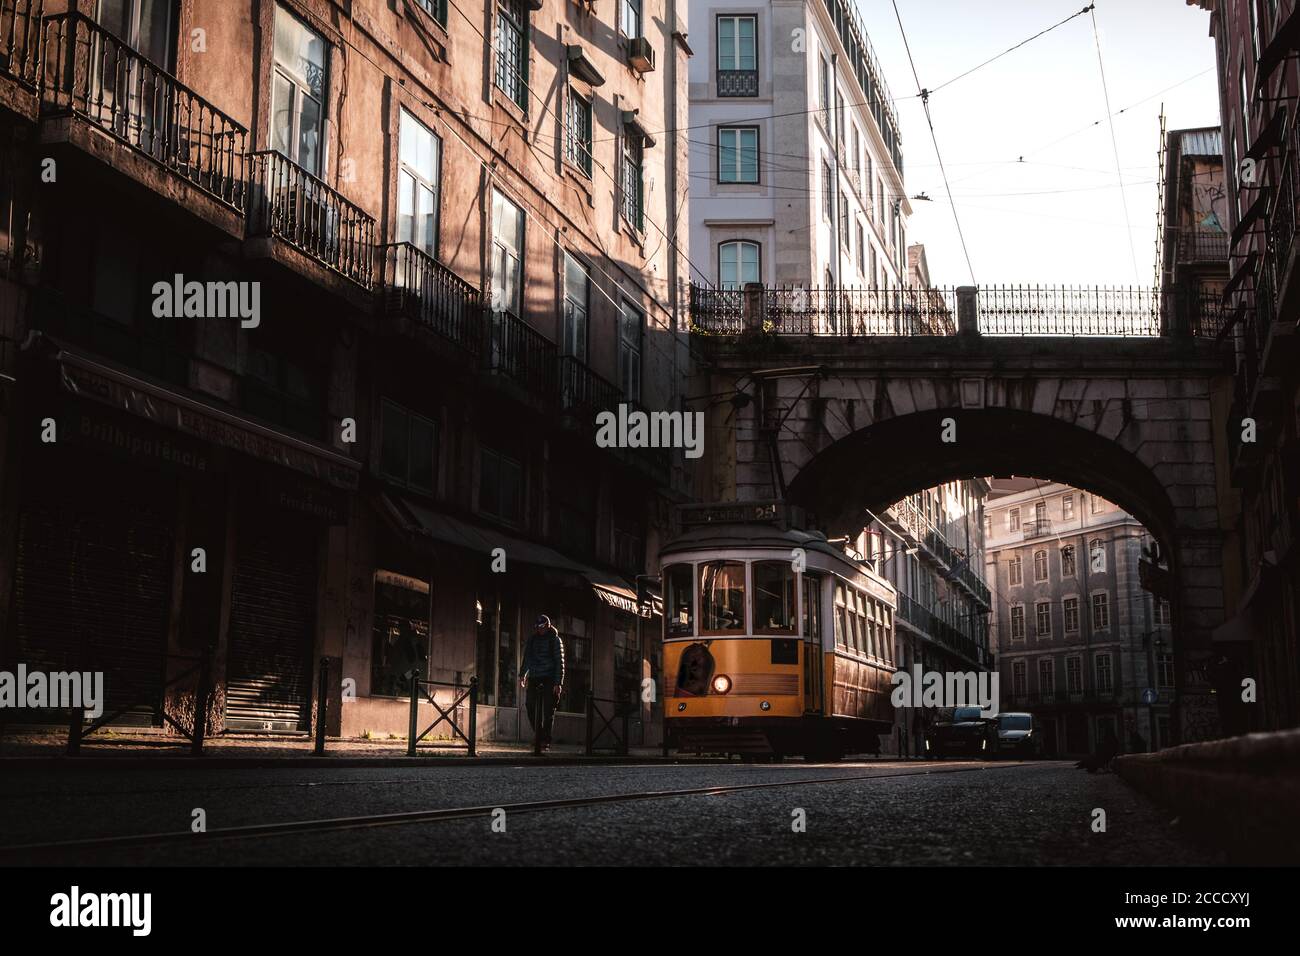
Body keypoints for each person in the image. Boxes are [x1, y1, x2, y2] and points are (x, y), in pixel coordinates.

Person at [520, 615, 565, 753]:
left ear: (548, 626)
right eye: (538, 627)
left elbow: (559, 662)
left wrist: (558, 683)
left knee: (548, 710)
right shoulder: (532, 640)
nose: (540, 630)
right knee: (530, 705)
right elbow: (527, 657)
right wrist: (523, 674)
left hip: (550, 677)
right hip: (534, 676)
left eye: (542, 627)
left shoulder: (555, 640)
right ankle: (539, 735)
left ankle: (545, 740)